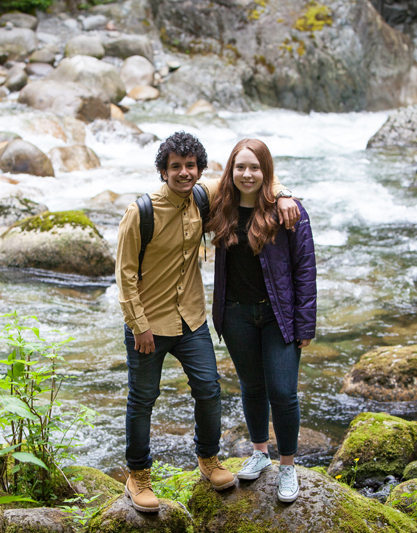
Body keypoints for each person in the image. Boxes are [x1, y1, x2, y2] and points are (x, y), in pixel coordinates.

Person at [115, 131, 300, 512]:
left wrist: (282, 194)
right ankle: (138, 476)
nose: (184, 173)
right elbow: (125, 275)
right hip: (149, 324)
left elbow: (250, 173)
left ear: (199, 169)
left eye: (190, 166)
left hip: (192, 318)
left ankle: (208, 460)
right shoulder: (141, 212)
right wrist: (139, 325)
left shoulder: (204, 195)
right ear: (163, 171)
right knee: (143, 400)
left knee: (209, 390)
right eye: (175, 167)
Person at [208, 138, 316, 503]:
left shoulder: (288, 210)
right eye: (240, 167)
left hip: (278, 315)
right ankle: (259, 453)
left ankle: (287, 465)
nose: (247, 174)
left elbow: (305, 270)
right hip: (236, 313)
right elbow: (183, 187)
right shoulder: (220, 204)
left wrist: (305, 324)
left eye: (255, 167)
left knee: (283, 393)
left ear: (266, 171)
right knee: (251, 387)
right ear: (231, 170)